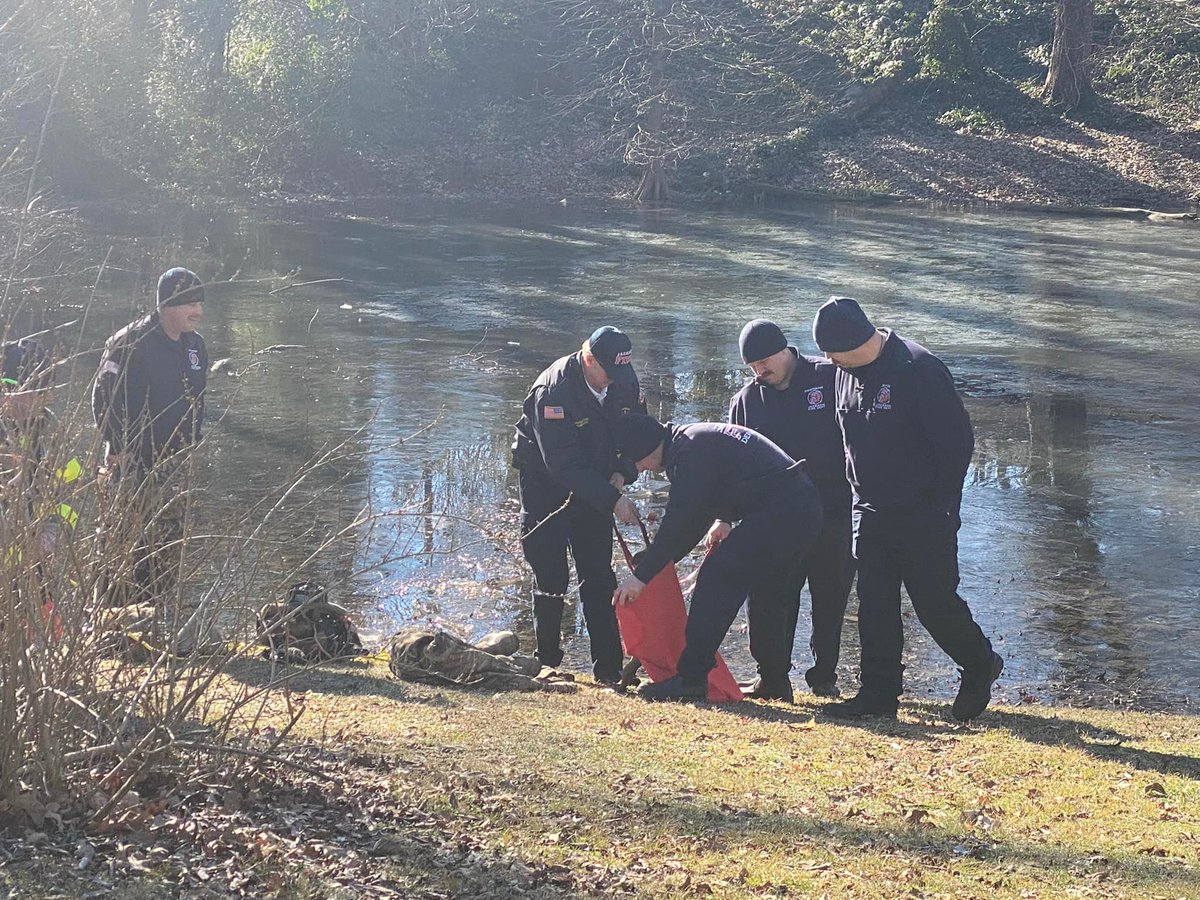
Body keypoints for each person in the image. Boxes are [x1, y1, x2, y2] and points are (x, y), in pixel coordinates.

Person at [812, 297, 1003, 721]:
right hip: (870, 510)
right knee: (874, 605)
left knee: (934, 603)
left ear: (854, 340)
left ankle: (978, 662)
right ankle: (879, 696)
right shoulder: (843, 374)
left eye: (831, 351)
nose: (827, 359)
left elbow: (957, 445)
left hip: (923, 513)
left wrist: (940, 507)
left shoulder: (919, 369)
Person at [611, 414, 825, 701]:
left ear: (650, 449)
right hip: (801, 509)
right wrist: (660, 564)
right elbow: (697, 517)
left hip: (782, 512)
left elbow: (679, 522)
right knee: (767, 593)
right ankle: (775, 682)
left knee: (718, 577)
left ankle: (691, 679)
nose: (644, 469)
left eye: (640, 462)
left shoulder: (689, 454)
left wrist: (641, 577)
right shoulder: (690, 442)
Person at [722, 319, 853, 701]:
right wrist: (725, 517)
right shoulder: (746, 401)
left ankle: (824, 676)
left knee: (831, 597)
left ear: (785, 350)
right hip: (778, 520)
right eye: (752, 366)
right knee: (769, 597)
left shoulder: (830, 377)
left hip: (834, 512)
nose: (760, 371)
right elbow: (734, 467)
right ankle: (773, 677)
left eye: (764, 361)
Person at [511, 326, 645, 683]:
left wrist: (622, 472)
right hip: (547, 487)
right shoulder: (553, 391)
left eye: (620, 373)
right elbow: (563, 464)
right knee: (551, 575)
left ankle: (609, 670)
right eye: (608, 374)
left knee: (598, 575)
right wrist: (613, 498)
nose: (612, 382)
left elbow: (640, 434)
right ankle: (547, 663)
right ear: (588, 359)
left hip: (598, 482)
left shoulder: (623, 382)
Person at [92, 267, 208, 609]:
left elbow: (197, 400)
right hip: (131, 463)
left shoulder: (195, 345)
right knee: (122, 544)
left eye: (200, 303)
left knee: (166, 544)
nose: (198, 311)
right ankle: (110, 621)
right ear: (166, 304)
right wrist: (121, 447)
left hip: (174, 463)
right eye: (190, 303)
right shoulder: (130, 342)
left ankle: (153, 615)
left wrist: (191, 442)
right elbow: (103, 398)